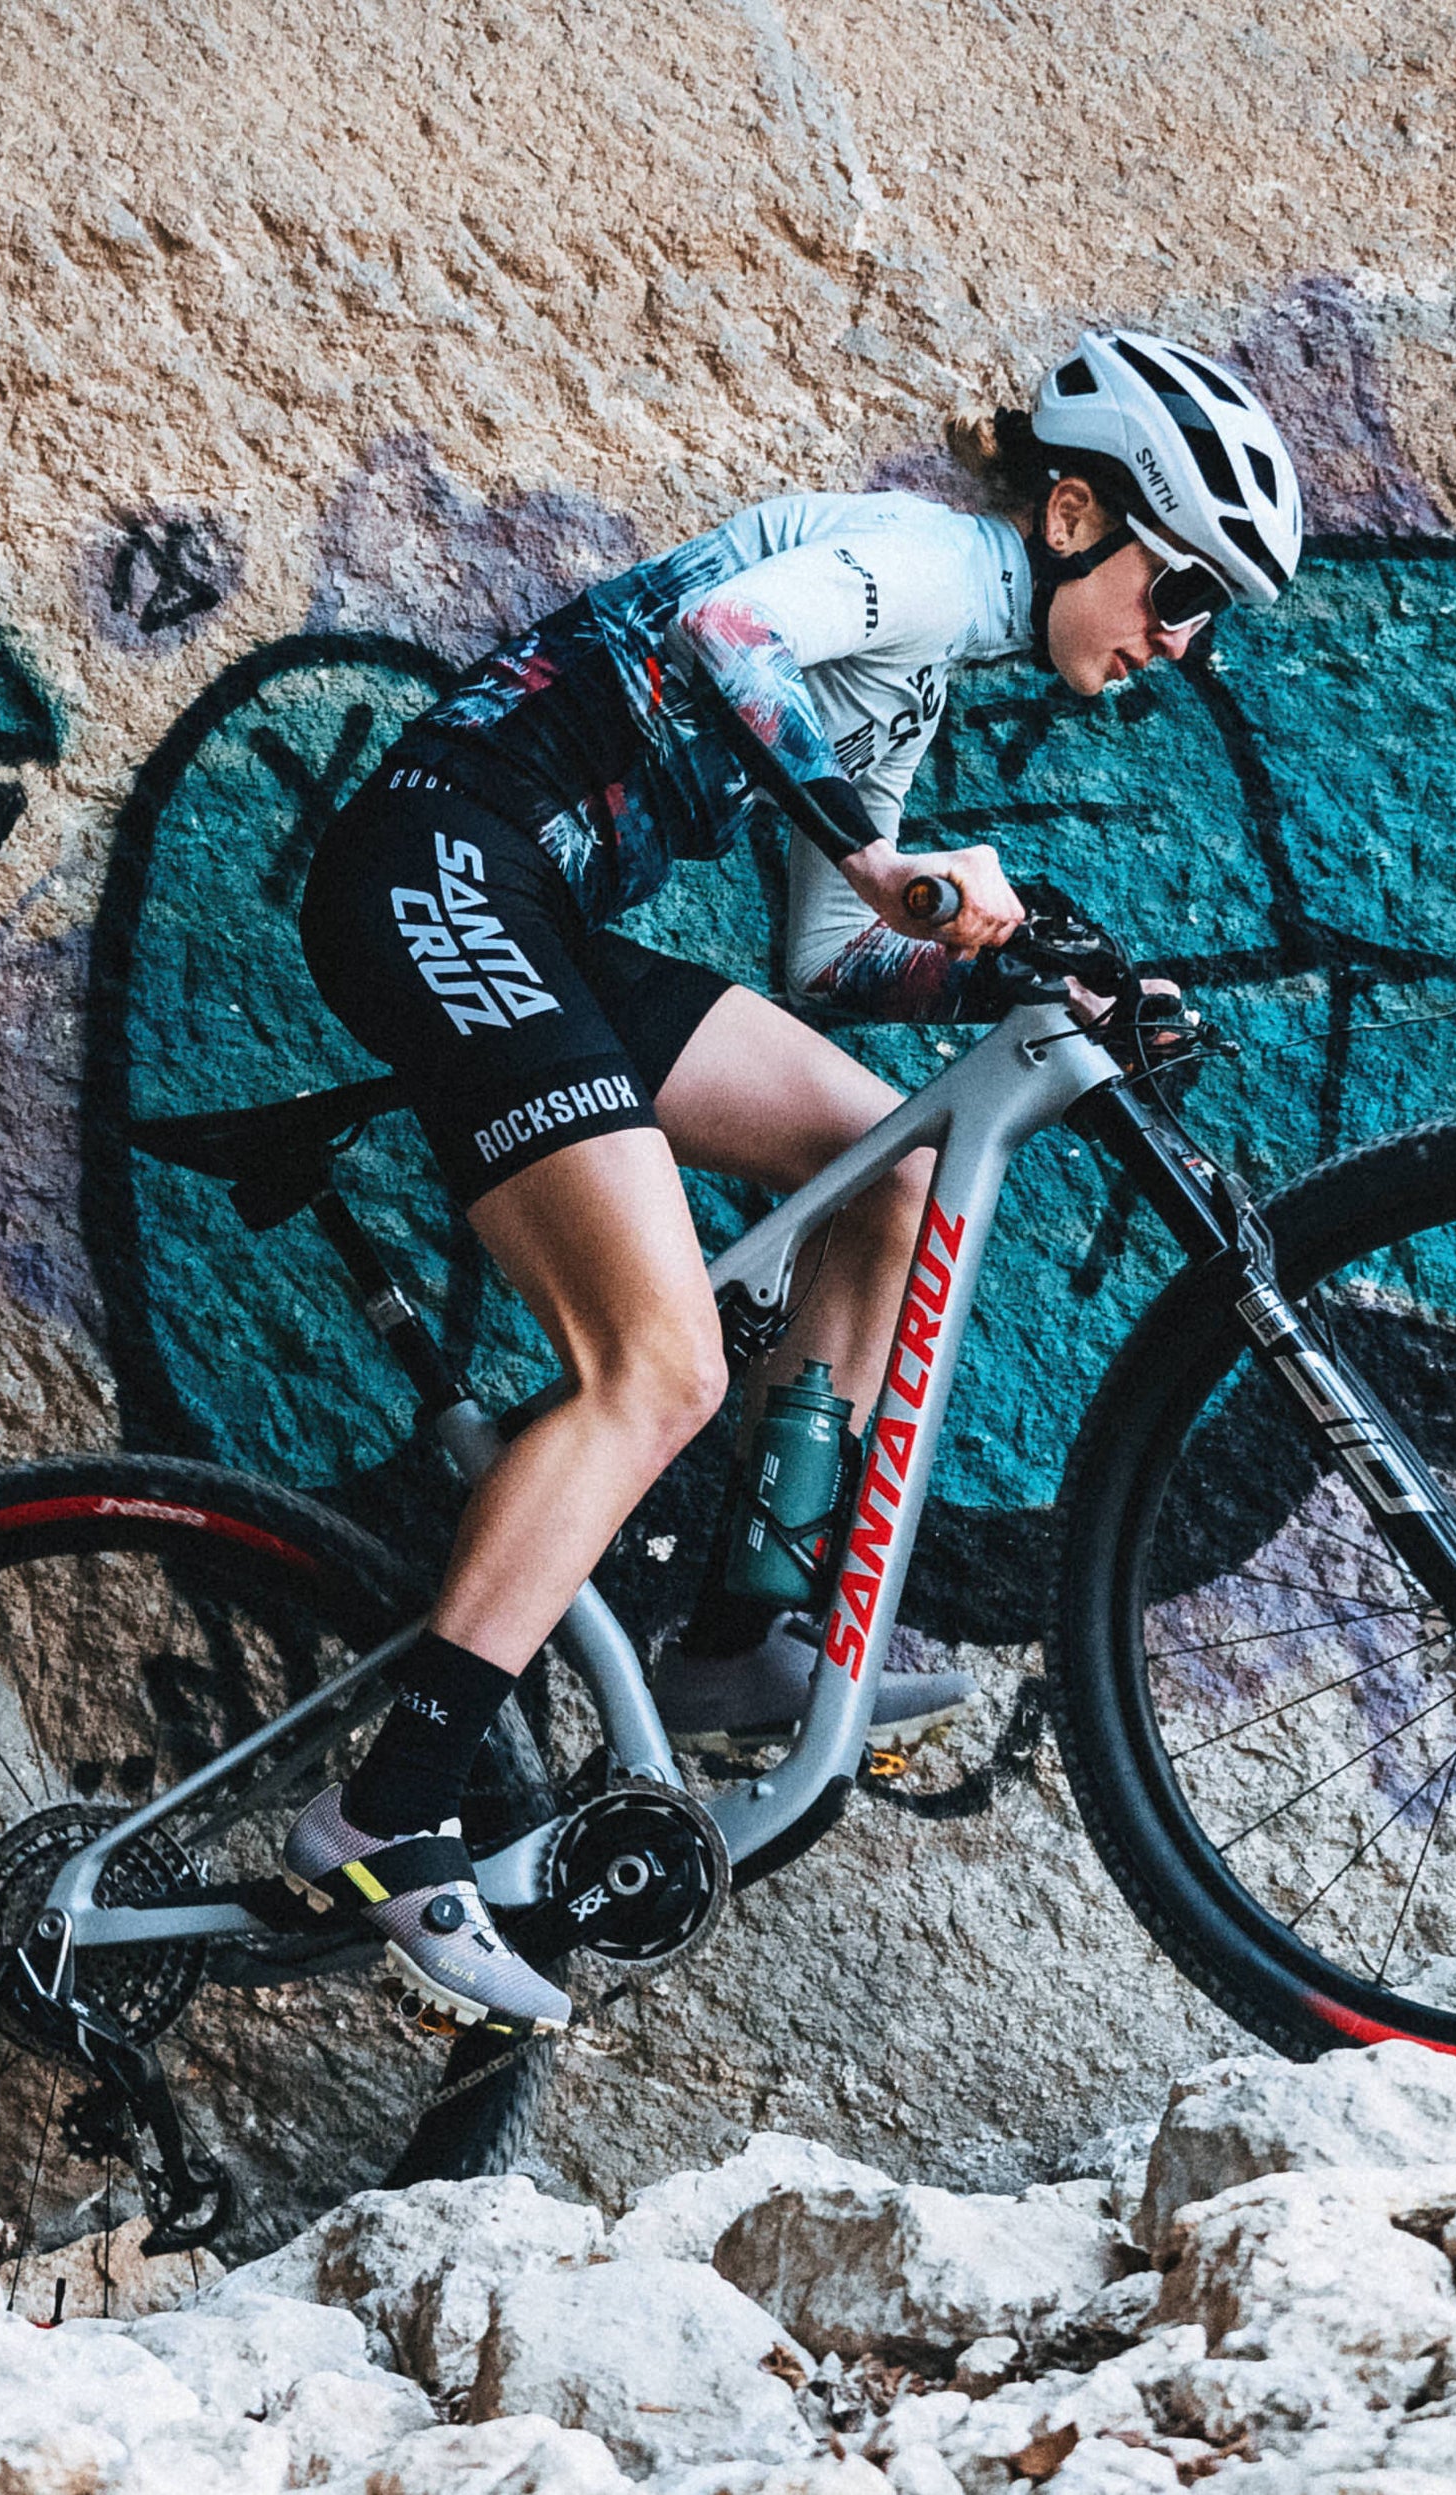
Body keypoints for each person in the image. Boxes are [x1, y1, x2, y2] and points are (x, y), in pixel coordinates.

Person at [263, 331, 1316, 2033]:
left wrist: (1025, 977)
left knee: (876, 1165)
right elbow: (725, 636)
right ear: (1069, 510)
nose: (1182, 645)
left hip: (535, 916)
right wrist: (890, 859)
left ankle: (745, 1626)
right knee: (660, 1363)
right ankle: (388, 1813)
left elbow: (835, 958)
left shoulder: (922, 663)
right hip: (439, 867)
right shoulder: (920, 558)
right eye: (1179, 589)